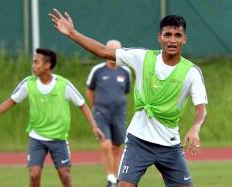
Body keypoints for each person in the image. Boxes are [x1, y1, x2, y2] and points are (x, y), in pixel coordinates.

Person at [49, 9, 207, 187]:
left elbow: (201, 108)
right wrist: (72, 32)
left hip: (170, 145)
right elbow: (103, 51)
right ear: (159, 37)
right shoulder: (142, 57)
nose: (172, 40)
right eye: (167, 34)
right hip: (138, 141)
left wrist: (195, 128)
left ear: (184, 39)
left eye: (177, 35)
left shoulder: (192, 72)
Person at [0, 48, 105, 187]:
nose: (33, 65)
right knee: (34, 174)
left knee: (65, 176)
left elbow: (82, 104)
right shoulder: (28, 83)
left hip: (59, 138)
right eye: (33, 62)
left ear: (47, 65)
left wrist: (94, 126)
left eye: (36, 62)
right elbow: (11, 101)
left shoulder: (63, 84)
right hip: (37, 137)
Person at [86, 40, 131, 187]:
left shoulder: (126, 72)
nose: (113, 55)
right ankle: (110, 177)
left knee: (117, 146)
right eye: (111, 51)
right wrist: (94, 107)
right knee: (105, 144)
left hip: (119, 114)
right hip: (101, 112)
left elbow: (125, 91)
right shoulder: (98, 70)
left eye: (116, 52)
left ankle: (115, 177)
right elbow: (90, 90)